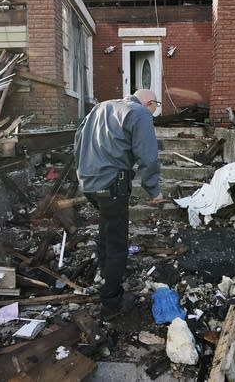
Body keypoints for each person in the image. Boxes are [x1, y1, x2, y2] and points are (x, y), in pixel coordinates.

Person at [74, 89, 164, 319]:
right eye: (155, 108)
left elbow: (77, 140)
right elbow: (147, 155)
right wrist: (153, 189)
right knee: (117, 241)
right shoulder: (140, 113)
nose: (153, 115)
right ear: (149, 103)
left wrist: (82, 174)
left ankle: (105, 273)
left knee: (106, 228)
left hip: (89, 183)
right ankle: (111, 301)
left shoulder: (101, 106)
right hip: (112, 184)